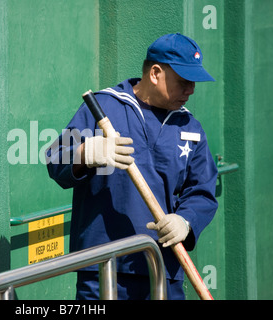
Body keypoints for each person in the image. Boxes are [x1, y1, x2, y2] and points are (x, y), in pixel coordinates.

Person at [46, 33, 218, 300]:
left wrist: (186, 221)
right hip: (102, 268)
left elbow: (202, 192)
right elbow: (55, 160)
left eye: (193, 83)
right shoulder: (103, 107)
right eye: (184, 81)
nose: (191, 90)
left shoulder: (191, 128)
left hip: (164, 268)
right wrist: (85, 152)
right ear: (156, 73)